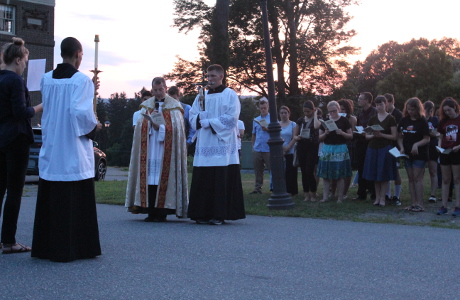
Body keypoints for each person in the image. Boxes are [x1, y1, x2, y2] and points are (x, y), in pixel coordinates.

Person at [31, 37, 101, 262]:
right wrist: (95, 126)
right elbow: (79, 113)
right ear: (78, 54)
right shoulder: (81, 80)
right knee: (73, 201)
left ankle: (46, 248)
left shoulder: (46, 79)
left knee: (53, 200)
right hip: (72, 148)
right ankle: (76, 248)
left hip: (52, 146)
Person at [0, 37, 42, 254]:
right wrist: (39, 107)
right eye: (25, 61)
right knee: (15, 192)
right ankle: (9, 241)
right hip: (16, 140)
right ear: (17, 60)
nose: (25, 66)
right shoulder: (16, 81)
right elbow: (21, 112)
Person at [188, 64, 245, 225]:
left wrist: (210, 122)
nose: (210, 79)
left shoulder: (230, 95)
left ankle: (219, 214)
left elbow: (232, 118)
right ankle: (202, 213)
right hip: (205, 143)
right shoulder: (201, 96)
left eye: (213, 76)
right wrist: (199, 119)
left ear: (221, 76)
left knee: (220, 178)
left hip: (222, 144)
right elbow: (191, 116)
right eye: (208, 76)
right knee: (204, 179)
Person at [126, 77, 188, 222]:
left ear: (166, 88)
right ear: (152, 89)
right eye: (155, 90)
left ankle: (162, 211)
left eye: (161, 90)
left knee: (162, 177)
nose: (158, 93)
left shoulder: (174, 106)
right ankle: (150, 211)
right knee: (149, 178)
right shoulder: (146, 106)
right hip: (149, 147)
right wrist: (148, 126)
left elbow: (177, 130)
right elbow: (139, 128)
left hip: (166, 150)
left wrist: (158, 128)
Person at [362, 95, 398, 206]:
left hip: (385, 148)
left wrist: (381, 134)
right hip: (373, 148)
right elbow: (366, 136)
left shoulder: (391, 118)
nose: (379, 107)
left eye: (381, 104)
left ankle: (383, 197)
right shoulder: (373, 118)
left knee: (384, 174)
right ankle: (377, 197)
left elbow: (394, 136)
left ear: (386, 104)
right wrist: (374, 135)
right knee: (375, 174)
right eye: (377, 105)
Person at [397, 97, 430, 212]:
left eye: (412, 109)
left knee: (417, 178)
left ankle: (420, 204)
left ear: (418, 109)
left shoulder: (422, 121)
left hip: (420, 154)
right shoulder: (404, 120)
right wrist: (401, 148)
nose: (410, 112)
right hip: (407, 154)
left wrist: (417, 144)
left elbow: (427, 139)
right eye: (408, 109)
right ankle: (413, 203)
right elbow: (399, 137)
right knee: (411, 178)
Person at [318, 101, 353, 203]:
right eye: (330, 111)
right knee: (325, 175)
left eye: (334, 111)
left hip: (340, 148)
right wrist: (326, 133)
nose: (332, 113)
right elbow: (319, 138)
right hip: (328, 148)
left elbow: (350, 136)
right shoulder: (325, 121)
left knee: (340, 175)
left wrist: (342, 133)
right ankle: (325, 197)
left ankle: (340, 197)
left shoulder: (344, 120)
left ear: (338, 109)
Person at [435, 97, 460, 217]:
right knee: (445, 180)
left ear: (454, 107)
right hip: (445, 152)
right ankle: (444, 206)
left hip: (456, 152)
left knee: (457, 179)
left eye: (449, 110)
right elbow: (440, 135)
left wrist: (458, 146)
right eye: (445, 111)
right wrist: (439, 147)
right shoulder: (443, 121)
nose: (447, 113)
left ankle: (457, 206)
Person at [294, 101, 320, 201]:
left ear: (313, 110)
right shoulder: (300, 120)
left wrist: (315, 115)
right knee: (304, 171)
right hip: (301, 146)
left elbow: (317, 126)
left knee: (310, 170)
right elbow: (295, 135)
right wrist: (298, 137)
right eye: (304, 111)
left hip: (312, 147)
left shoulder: (317, 119)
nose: (306, 113)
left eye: (308, 111)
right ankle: (306, 194)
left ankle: (313, 192)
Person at [354, 92, 377, 201]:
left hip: (371, 143)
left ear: (367, 100)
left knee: (372, 167)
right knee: (361, 168)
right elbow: (358, 125)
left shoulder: (374, 112)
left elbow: (377, 127)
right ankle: (361, 193)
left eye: (361, 99)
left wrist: (367, 133)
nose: (358, 100)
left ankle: (374, 192)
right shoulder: (360, 113)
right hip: (361, 142)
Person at [384, 93, 403, 205]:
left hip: (395, 145)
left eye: (386, 103)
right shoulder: (383, 114)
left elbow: (399, 133)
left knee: (395, 171)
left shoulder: (398, 114)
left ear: (391, 102)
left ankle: (397, 196)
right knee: (386, 170)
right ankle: (387, 194)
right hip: (385, 144)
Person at [250, 98, 270, 194]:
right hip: (258, 148)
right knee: (258, 169)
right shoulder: (256, 120)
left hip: (268, 148)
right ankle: (258, 188)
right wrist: (253, 146)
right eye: (261, 108)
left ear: (268, 107)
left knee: (271, 169)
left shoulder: (272, 118)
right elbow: (253, 134)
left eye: (265, 108)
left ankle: (274, 187)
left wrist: (267, 129)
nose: (263, 109)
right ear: (259, 108)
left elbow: (276, 132)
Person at [167, 86, 196, 152]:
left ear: (179, 96)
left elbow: (193, 127)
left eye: (174, 99)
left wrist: (188, 142)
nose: (172, 102)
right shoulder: (166, 109)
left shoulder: (186, 108)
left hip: (183, 144)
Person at [279, 106, 298, 195]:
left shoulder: (293, 124)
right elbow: (276, 137)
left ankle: (292, 190)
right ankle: (282, 189)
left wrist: (288, 147)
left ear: (289, 114)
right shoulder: (277, 124)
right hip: (280, 150)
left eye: (285, 113)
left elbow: (294, 137)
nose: (283, 115)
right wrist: (283, 148)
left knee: (291, 171)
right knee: (281, 171)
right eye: (282, 113)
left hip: (290, 150)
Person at [424, 101, 440, 203]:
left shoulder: (435, 119)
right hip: (422, 146)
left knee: (433, 171)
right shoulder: (420, 119)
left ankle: (433, 194)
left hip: (432, 146)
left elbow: (438, 133)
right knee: (419, 172)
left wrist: (432, 133)